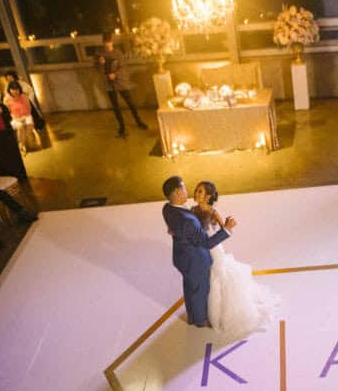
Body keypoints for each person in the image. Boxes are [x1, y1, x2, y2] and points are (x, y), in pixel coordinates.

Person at [192, 180, 279, 335]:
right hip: (201, 249)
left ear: (208, 196)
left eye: (200, 191)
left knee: (217, 277)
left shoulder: (213, 212)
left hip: (214, 248)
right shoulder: (192, 210)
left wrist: (226, 226)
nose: (196, 193)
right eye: (196, 190)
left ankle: (219, 314)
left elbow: (226, 230)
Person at [162, 175, 236, 328]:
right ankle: (200, 320)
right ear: (177, 192)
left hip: (182, 257)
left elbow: (179, 226)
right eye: (183, 188)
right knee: (199, 291)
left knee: (190, 288)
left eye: (199, 191)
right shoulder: (189, 218)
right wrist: (227, 229)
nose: (189, 191)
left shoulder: (168, 208)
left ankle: (192, 316)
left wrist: (175, 230)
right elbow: (207, 243)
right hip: (196, 259)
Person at [95, 31, 148, 138]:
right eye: (105, 42)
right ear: (103, 42)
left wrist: (115, 74)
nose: (107, 44)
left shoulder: (117, 52)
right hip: (109, 84)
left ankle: (139, 121)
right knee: (115, 106)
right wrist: (100, 64)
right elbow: (97, 69)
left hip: (121, 82)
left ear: (111, 42)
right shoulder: (99, 53)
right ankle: (122, 127)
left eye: (109, 42)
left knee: (130, 103)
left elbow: (123, 66)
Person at [0, 93, 27, 180]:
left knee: (13, 156)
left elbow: (8, 118)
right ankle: (7, 179)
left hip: (6, 135)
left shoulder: (0, 105)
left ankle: (20, 177)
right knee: (1, 160)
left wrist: (2, 112)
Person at [4, 81, 38, 154]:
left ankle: (24, 144)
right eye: (13, 89)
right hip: (14, 118)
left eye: (17, 89)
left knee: (29, 127)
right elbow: (7, 113)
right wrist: (17, 119)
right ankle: (22, 145)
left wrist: (25, 117)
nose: (15, 91)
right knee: (20, 127)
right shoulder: (7, 99)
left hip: (26, 116)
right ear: (9, 90)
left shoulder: (24, 96)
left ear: (19, 89)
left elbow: (29, 108)